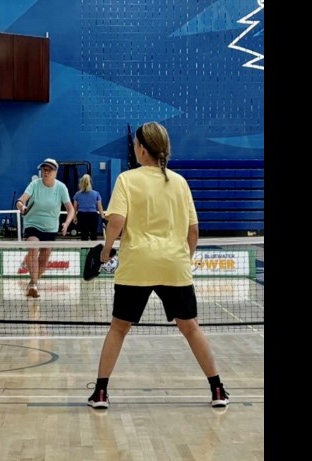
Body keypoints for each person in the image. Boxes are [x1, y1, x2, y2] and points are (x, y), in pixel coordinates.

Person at [86, 122, 229, 410]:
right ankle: (217, 389)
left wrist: (106, 252)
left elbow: (116, 222)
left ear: (141, 148)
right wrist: (183, 259)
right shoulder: (180, 182)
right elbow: (194, 232)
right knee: (190, 328)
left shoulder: (127, 180)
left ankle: (100, 393)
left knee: (118, 328)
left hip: (137, 264)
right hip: (174, 266)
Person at [16, 158, 75, 298]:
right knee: (33, 247)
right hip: (33, 224)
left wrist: (66, 223)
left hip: (50, 228)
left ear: (56, 172)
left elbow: (70, 209)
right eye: (44, 170)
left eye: (49, 170)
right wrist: (21, 205)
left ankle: (33, 282)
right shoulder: (34, 185)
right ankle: (34, 285)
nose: (46, 172)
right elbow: (21, 200)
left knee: (44, 259)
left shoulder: (61, 188)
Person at [72, 174, 104, 241]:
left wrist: (74, 217)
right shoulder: (96, 193)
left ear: (81, 182)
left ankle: (84, 250)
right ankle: (93, 251)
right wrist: (103, 217)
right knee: (94, 234)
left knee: (83, 235)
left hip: (81, 215)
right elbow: (100, 207)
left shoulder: (77, 194)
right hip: (93, 215)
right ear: (91, 182)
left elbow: (74, 208)